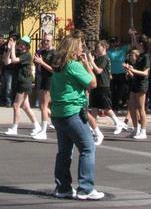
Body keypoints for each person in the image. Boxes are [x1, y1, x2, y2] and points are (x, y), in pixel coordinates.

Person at [50, 32, 104, 201]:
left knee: (64, 152)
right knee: (88, 148)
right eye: (80, 45)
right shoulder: (74, 65)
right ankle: (86, 188)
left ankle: (63, 187)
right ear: (74, 48)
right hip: (72, 112)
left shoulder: (59, 65)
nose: (82, 47)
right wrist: (88, 64)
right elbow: (93, 83)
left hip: (58, 113)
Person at [87, 40, 126, 137]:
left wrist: (92, 62)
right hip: (96, 85)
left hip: (103, 85)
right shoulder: (98, 58)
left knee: (106, 107)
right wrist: (90, 62)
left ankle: (118, 122)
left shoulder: (104, 58)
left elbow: (99, 71)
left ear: (104, 47)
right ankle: (92, 127)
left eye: (98, 47)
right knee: (94, 107)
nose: (96, 49)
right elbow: (93, 70)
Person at [4, 35, 40, 136]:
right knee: (26, 107)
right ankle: (37, 126)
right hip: (20, 82)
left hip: (25, 82)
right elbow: (7, 62)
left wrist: (13, 47)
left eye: (24, 45)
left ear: (28, 46)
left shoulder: (27, 55)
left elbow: (14, 59)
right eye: (21, 44)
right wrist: (9, 50)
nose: (22, 46)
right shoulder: (19, 53)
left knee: (16, 105)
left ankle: (14, 128)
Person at [32, 32, 55, 140]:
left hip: (49, 80)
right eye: (44, 40)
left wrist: (41, 62)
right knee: (42, 106)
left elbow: (53, 70)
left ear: (52, 42)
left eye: (48, 40)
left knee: (44, 106)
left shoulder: (54, 53)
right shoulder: (42, 52)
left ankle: (44, 131)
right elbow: (37, 64)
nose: (45, 42)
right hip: (41, 79)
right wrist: (36, 61)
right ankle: (55, 121)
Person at [107, 36, 129, 114]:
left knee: (121, 90)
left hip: (122, 73)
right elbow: (108, 63)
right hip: (113, 73)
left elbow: (133, 45)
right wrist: (109, 73)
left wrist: (132, 34)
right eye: (112, 42)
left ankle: (121, 102)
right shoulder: (109, 51)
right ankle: (114, 106)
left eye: (115, 41)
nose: (114, 43)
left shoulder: (123, 49)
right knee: (113, 90)